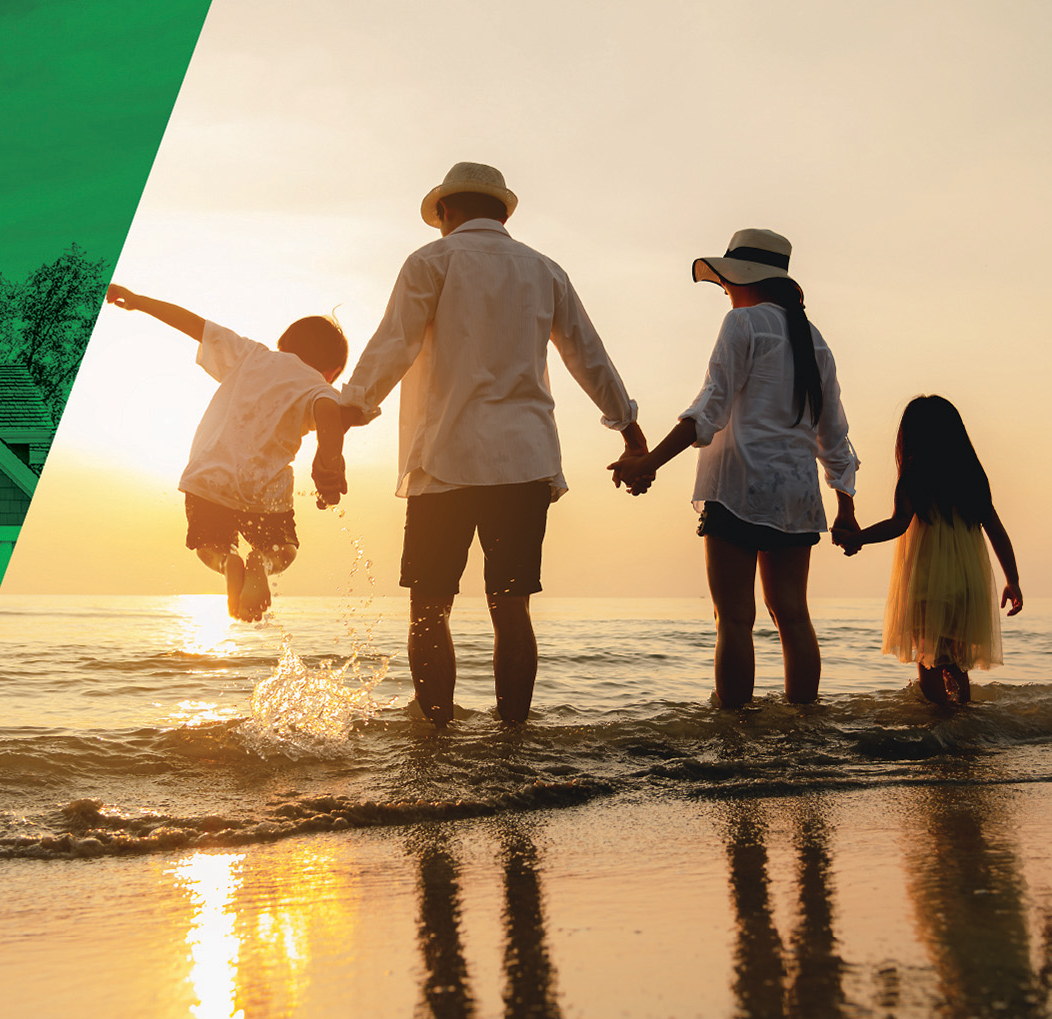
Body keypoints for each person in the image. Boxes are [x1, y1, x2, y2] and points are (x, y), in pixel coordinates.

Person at [322, 162, 645, 726]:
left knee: (428, 609)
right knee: (512, 610)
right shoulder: (544, 270)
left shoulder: (432, 260)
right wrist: (630, 430)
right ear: (503, 212)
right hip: (524, 461)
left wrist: (349, 412)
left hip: (444, 461)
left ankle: (437, 737)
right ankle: (513, 740)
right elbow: (587, 355)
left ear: (445, 212)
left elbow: (392, 344)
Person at [610, 228, 859, 709]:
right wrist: (844, 506)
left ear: (743, 281)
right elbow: (835, 434)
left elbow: (709, 410)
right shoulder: (816, 339)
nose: (724, 292)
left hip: (738, 488)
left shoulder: (742, 326)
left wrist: (648, 462)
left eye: (726, 284)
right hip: (797, 495)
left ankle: (735, 731)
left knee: (735, 618)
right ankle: (803, 726)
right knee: (793, 615)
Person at [103, 283, 347, 621]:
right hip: (266, 492)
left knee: (209, 545)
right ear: (332, 372)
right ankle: (261, 562)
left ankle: (227, 560)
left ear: (283, 344)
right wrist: (330, 464)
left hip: (208, 479)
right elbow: (329, 414)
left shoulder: (251, 355)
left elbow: (194, 325)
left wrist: (139, 302)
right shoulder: (319, 387)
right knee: (284, 550)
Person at [835, 395, 1023, 705]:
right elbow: (997, 532)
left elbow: (898, 524)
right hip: (968, 585)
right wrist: (1012, 580)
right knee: (955, 659)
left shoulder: (914, 476)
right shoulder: (972, 478)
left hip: (930, 584)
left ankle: (940, 720)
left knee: (929, 656)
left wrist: (859, 538)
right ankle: (962, 715)